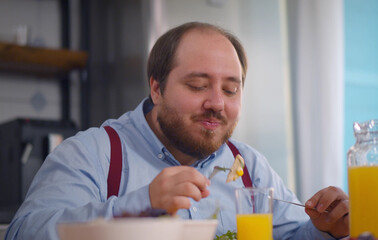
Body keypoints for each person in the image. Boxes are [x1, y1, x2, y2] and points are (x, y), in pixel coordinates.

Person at [5, 21, 349, 240]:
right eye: (198, 85)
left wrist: (325, 230)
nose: (217, 103)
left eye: (231, 90)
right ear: (156, 88)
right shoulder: (93, 154)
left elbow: (290, 235)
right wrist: (141, 204)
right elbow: (23, 234)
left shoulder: (248, 167)